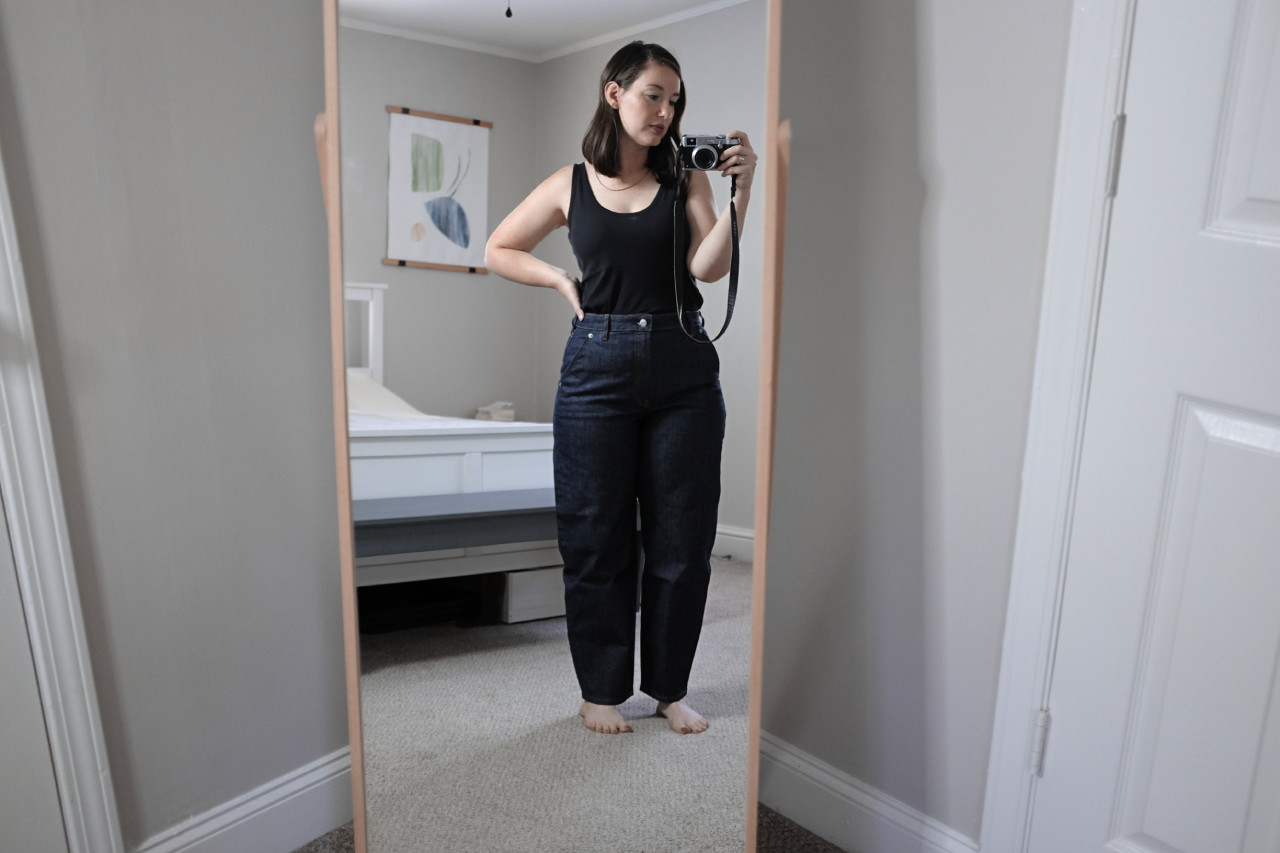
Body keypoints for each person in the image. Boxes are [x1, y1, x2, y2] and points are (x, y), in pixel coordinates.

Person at [484, 41, 755, 735]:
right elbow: (498, 248)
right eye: (652, 95)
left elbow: (709, 266)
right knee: (594, 535)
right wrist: (557, 279)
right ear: (614, 93)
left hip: (683, 363)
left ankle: (668, 688)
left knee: (682, 538)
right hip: (594, 366)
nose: (665, 111)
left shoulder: (685, 180)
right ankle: (599, 690)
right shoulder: (568, 184)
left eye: (674, 99)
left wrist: (740, 197)